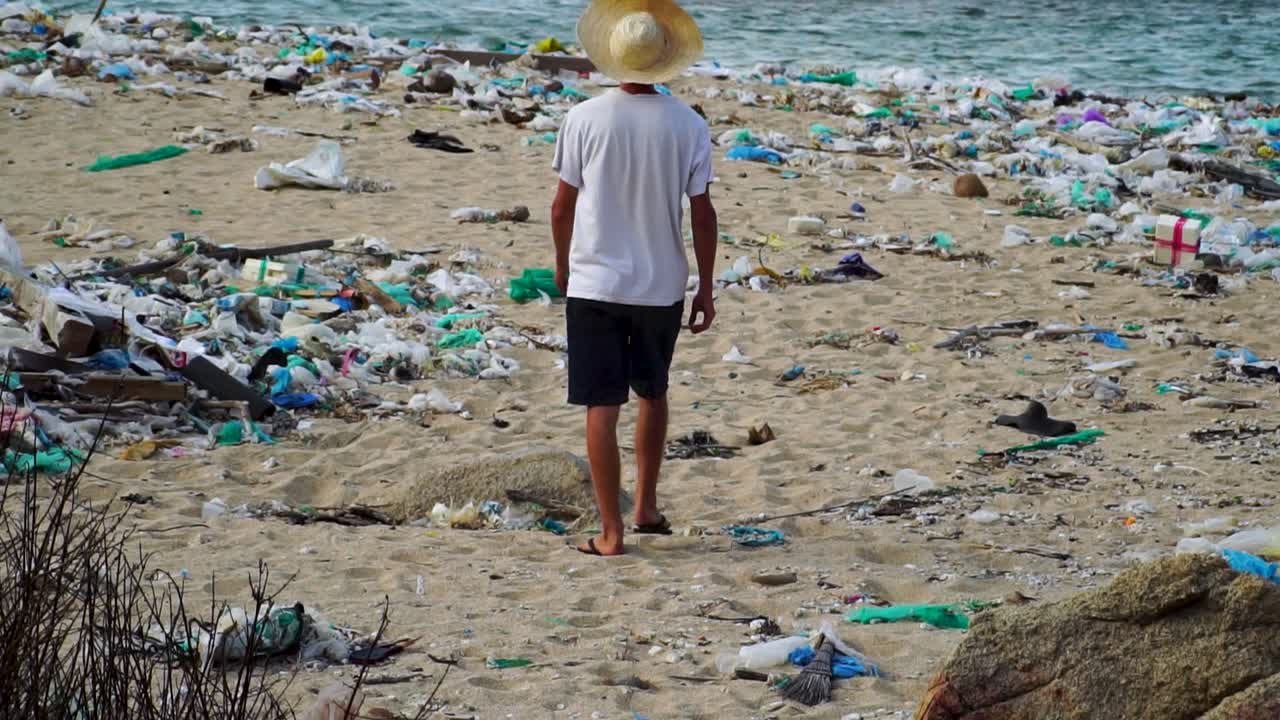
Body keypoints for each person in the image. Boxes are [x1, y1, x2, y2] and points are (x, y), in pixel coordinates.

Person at [550, 0, 717, 557]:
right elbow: (702, 214)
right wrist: (706, 286)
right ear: (665, 57)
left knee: (602, 406)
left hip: (596, 282)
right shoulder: (688, 124)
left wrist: (562, 264)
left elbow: (561, 207)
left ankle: (611, 532)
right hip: (660, 284)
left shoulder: (583, 118)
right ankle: (644, 505)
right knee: (653, 391)